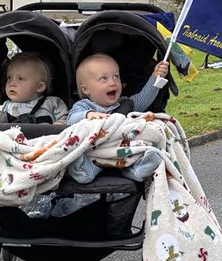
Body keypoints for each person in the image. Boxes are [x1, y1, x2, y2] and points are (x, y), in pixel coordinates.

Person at [66, 53, 169, 183]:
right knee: (76, 149)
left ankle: (136, 170)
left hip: (122, 152)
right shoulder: (84, 106)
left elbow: (143, 99)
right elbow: (71, 119)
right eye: (104, 78)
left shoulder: (124, 104)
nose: (112, 82)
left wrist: (155, 78)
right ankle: (86, 170)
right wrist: (88, 115)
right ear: (86, 89)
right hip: (95, 153)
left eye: (116, 76)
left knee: (140, 147)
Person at [0, 52, 68, 125]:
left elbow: (66, 119)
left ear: (39, 87)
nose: (12, 83)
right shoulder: (4, 107)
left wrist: (60, 123)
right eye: (9, 77)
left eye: (20, 79)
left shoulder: (52, 103)